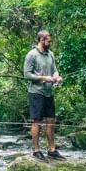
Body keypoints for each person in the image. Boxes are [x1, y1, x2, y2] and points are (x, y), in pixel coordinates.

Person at [23, 29, 64, 160]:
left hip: (48, 93)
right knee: (37, 122)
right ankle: (36, 150)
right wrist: (44, 78)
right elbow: (27, 74)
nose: (50, 43)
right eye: (49, 41)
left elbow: (54, 70)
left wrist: (57, 77)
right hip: (36, 93)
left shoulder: (50, 54)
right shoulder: (31, 55)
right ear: (41, 40)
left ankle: (52, 150)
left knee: (51, 121)